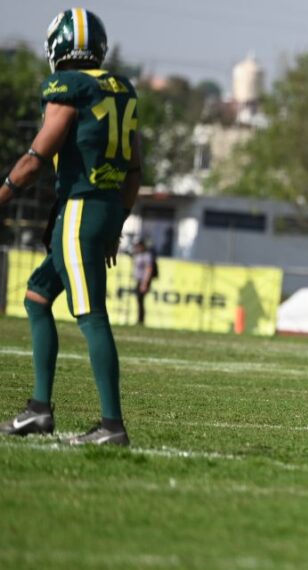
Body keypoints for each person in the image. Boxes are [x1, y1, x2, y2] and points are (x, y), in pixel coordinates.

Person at [0, 8, 142, 446]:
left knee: (91, 314)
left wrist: (4, 191)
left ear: (59, 48)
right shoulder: (120, 88)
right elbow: (135, 169)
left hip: (79, 209)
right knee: (37, 297)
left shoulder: (68, 87)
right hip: (101, 208)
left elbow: (37, 157)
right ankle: (39, 411)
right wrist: (116, 221)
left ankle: (111, 425)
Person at [132, 239, 155, 325]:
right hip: (139, 280)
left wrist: (145, 283)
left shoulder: (147, 255)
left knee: (141, 300)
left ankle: (141, 320)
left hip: (143, 281)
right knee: (139, 300)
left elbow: (149, 269)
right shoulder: (138, 255)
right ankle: (139, 319)